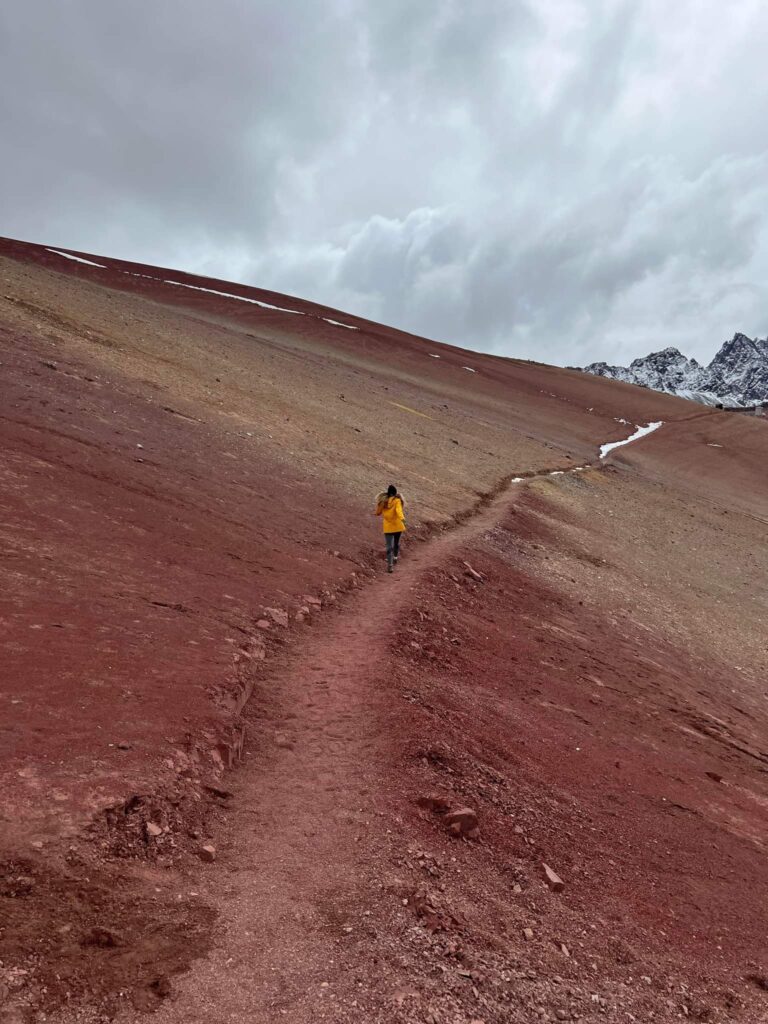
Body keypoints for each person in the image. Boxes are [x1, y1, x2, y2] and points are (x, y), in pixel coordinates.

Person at [375, 484, 406, 572]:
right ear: (395, 493)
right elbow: (399, 511)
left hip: (388, 527)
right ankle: (395, 557)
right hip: (397, 525)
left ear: (388, 493)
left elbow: (378, 512)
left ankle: (390, 565)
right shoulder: (397, 500)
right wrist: (402, 519)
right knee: (396, 542)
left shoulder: (383, 501)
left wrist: (377, 511)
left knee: (389, 546)